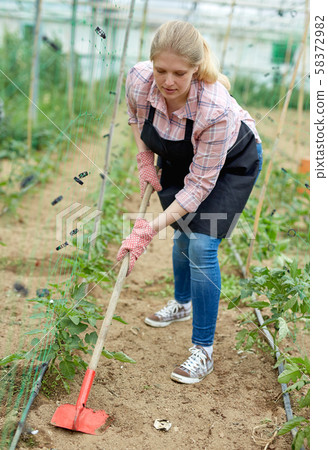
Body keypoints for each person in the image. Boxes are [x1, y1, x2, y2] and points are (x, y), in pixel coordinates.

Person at [117, 20, 263, 384]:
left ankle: (203, 350)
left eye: (179, 73)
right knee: (182, 231)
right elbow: (136, 118)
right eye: (160, 69)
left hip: (230, 162)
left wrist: (147, 231)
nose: (167, 81)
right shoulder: (138, 78)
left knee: (200, 241)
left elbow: (198, 187)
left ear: (195, 69)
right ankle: (182, 303)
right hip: (182, 155)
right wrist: (143, 158)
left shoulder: (213, 108)